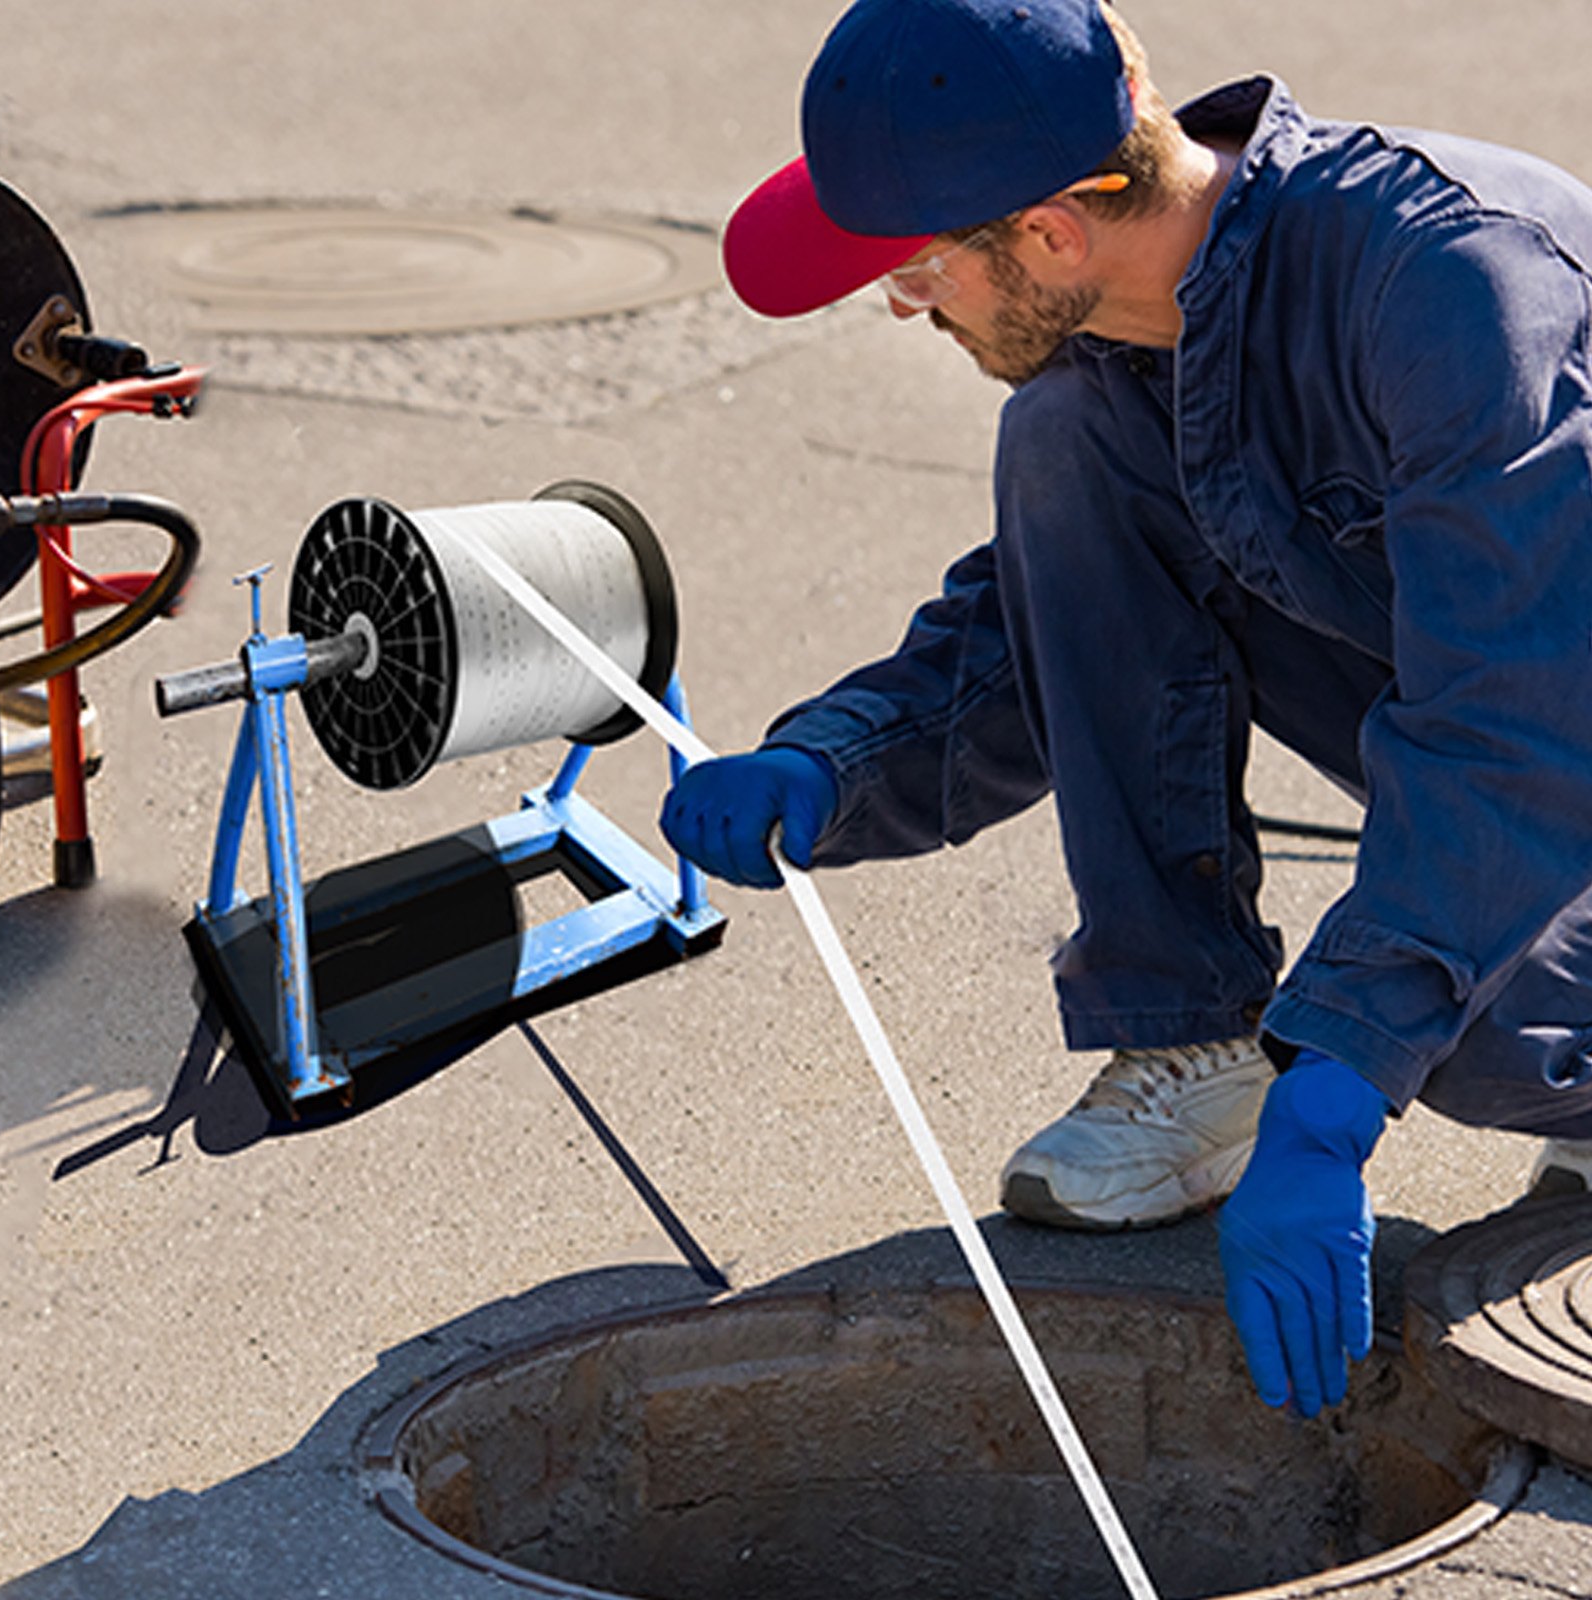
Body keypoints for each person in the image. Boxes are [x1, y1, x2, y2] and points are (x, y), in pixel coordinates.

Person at [660, 0, 1592, 1419]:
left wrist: (1337, 1089)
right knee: (1067, 435)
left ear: (1048, 233)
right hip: (1536, 724)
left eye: (914, 270)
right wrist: (830, 767)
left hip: (1551, 722)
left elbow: (1513, 726)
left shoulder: (1454, 292)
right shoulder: (1153, 322)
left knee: (1445, 1027)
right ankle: (1194, 1037)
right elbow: (1048, 621)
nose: (901, 306)